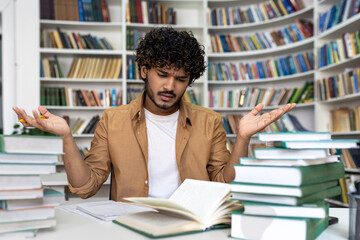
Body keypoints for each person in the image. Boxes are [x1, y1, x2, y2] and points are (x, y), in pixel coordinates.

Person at [13, 27, 296, 201]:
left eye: (181, 79)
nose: (170, 86)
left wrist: (243, 138)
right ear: (144, 70)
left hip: (193, 227)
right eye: (162, 74)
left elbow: (226, 185)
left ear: (189, 81)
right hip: (130, 227)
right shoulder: (113, 120)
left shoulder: (209, 121)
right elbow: (85, 187)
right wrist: (66, 137)